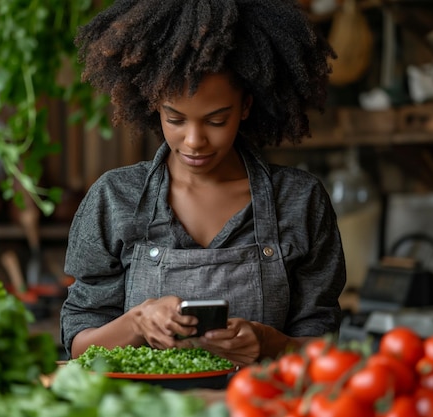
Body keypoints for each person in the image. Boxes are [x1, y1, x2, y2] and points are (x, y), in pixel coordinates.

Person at [60, 0, 346, 367]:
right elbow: (78, 347)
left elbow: (326, 351)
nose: (194, 141)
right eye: (175, 119)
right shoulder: (116, 198)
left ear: (245, 107)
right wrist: (137, 321)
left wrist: (271, 343)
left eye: (216, 120)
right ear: (154, 106)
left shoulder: (299, 201)